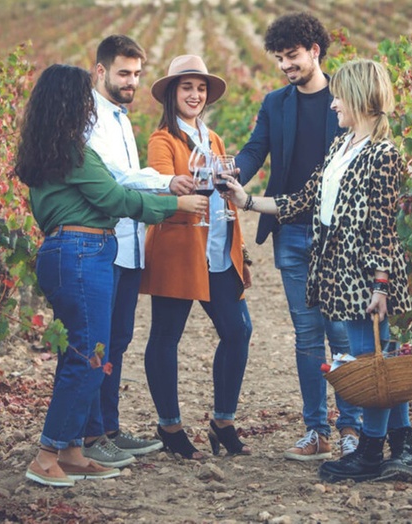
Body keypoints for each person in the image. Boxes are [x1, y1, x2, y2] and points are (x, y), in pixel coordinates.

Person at [223, 59, 412, 482]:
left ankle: (372, 453)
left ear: (357, 98)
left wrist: (381, 283)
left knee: (369, 361)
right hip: (343, 273)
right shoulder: (342, 147)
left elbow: (385, 225)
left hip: (368, 276)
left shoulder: (383, 155)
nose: (332, 104)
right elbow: (301, 200)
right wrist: (246, 201)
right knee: (377, 360)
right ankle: (400, 450)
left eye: (339, 97)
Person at [14, 64, 207, 486]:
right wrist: (174, 207)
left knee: (81, 353)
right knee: (89, 355)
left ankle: (72, 450)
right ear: (69, 103)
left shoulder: (47, 151)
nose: (90, 106)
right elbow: (115, 197)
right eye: (84, 98)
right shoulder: (72, 153)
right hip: (81, 253)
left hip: (72, 252)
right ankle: (47, 455)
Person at [234, 12, 357, 461]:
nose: (286, 65)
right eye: (280, 58)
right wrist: (235, 173)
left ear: (314, 51)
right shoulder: (275, 103)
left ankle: (352, 429)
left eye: (292, 56)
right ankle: (316, 430)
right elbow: (254, 150)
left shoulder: (345, 99)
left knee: (341, 335)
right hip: (289, 230)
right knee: (307, 336)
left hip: (338, 232)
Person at [81, 35, 195, 467]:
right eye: (123, 73)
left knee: (118, 342)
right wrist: (168, 188)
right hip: (103, 246)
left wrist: (169, 183)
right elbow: (115, 177)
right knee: (97, 346)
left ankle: (109, 428)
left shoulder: (122, 118)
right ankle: (92, 435)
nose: (131, 81)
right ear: (101, 71)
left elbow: (130, 174)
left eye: (136, 74)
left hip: (130, 247)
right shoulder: (89, 118)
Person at [140, 55, 253, 459]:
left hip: (218, 251)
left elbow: (224, 192)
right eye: (186, 87)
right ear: (172, 94)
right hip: (179, 251)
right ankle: (169, 426)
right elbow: (157, 189)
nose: (195, 94)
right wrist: (177, 186)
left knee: (239, 331)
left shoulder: (215, 138)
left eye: (200, 88)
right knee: (166, 337)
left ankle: (222, 421)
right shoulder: (163, 140)